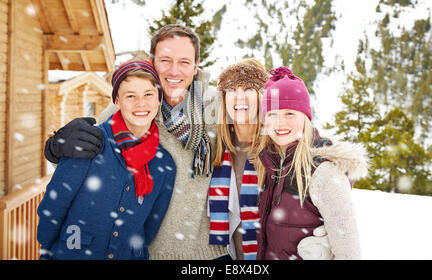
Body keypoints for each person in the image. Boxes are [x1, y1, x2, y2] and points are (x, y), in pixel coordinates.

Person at [43, 24, 227, 259]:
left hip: (206, 255)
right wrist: (56, 149)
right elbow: (83, 165)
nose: (174, 70)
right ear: (152, 61)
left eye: (184, 61)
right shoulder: (122, 110)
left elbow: (262, 140)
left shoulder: (216, 106)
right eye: (165, 60)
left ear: (196, 64)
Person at [37, 60, 176, 260]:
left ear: (158, 99)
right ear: (117, 101)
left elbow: (150, 226)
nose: (141, 103)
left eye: (148, 94)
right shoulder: (89, 142)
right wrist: (55, 250)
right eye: (130, 96)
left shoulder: (165, 164)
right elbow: (53, 206)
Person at [254, 66, 368, 260]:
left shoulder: (323, 172)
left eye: (290, 113)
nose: (280, 123)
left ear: (305, 118)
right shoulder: (268, 164)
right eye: (272, 114)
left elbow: (349, 252)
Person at [208, 59, 269, 260]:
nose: (239, 98)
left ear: (262, 97)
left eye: (248, 89)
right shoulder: (216, 147)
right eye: (232, 90)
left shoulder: (275, 146)